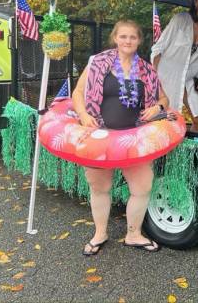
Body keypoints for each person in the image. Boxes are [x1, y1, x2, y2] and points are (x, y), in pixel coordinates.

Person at [72, 20, 169, 255]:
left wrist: (157, 107)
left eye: (132, 37)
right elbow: (77, 93)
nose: (127, 41)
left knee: (142, 186)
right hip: (100, 135)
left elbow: (164, 100)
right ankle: (100, 233)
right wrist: (84, 115)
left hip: (134, 137)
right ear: (115, 38)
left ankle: (134, 234)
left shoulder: (146, 69)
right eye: (123, 36)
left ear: (139, 41)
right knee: (99, 186)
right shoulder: (97, 63)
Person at [151, 0, 198, 131]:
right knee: (167, 121)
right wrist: (154, 79)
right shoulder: (180, 19)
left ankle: (193, 151)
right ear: (195, 1)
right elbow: (158, 49)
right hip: (168, 77)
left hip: (192, 79)